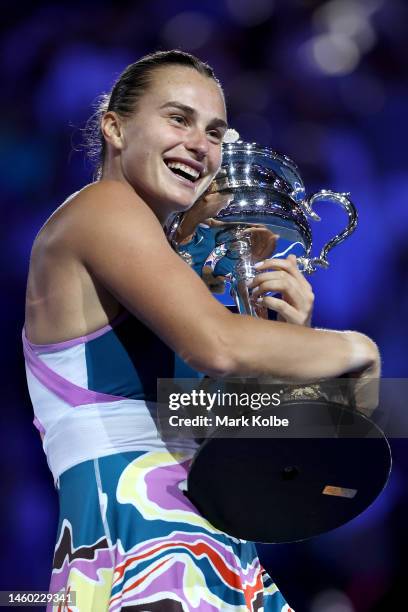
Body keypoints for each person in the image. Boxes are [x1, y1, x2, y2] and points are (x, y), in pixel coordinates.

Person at [23, 50, 380, 612]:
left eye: (214, 131)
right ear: (115, 127)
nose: (200, 144)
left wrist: (291, 338)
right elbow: (217, 346)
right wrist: (352, 348)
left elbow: (265, 442)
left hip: (208, 552)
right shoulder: (102, 208)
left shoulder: (171, 277)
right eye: (178, 118)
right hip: (146, 554)